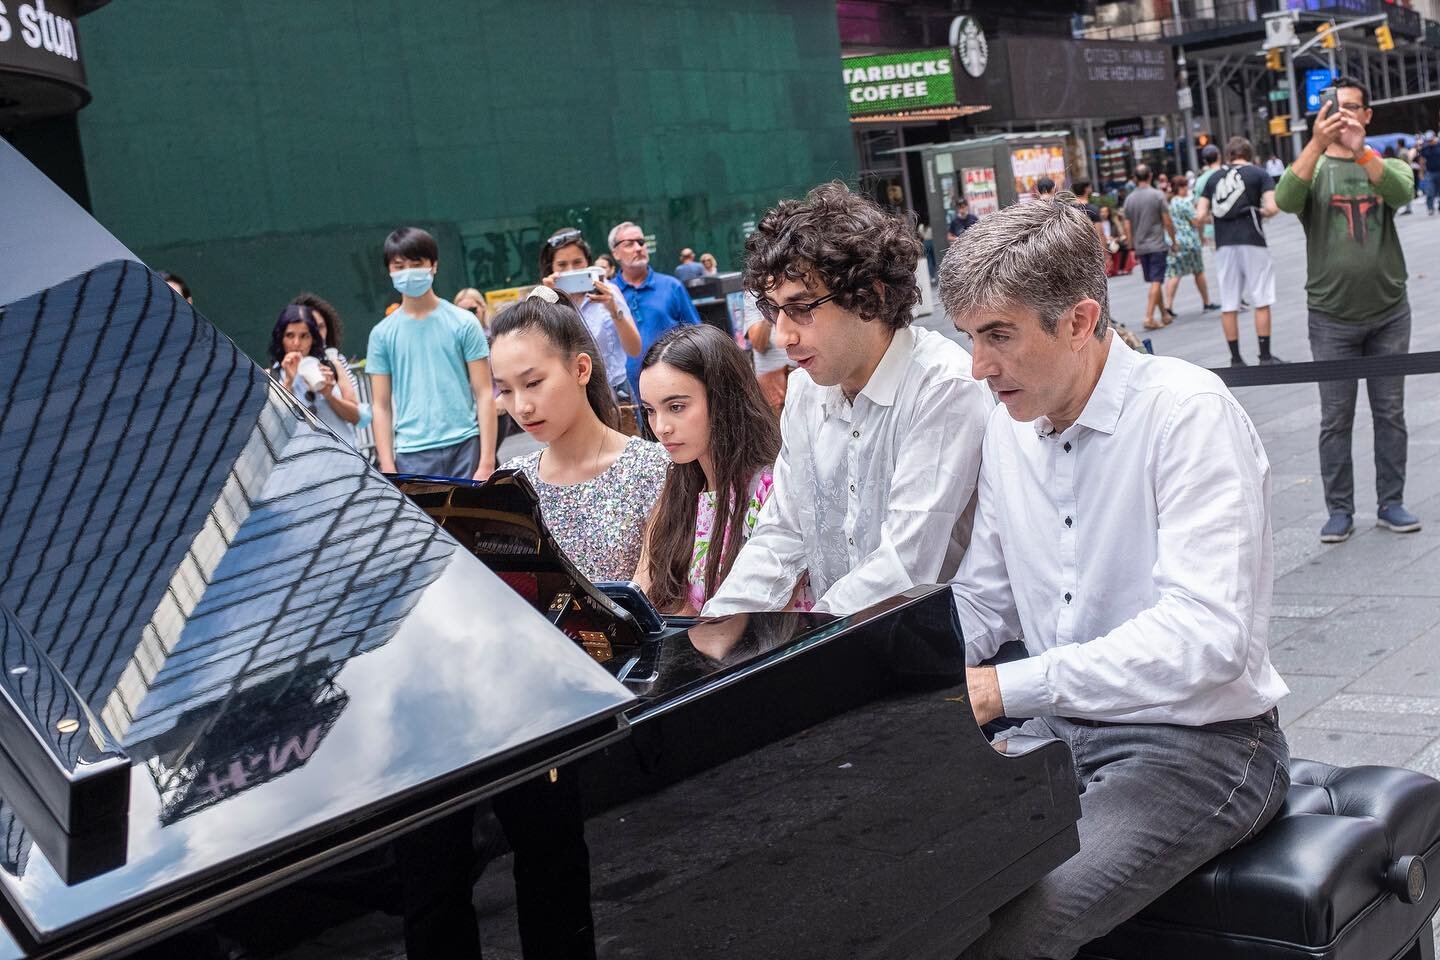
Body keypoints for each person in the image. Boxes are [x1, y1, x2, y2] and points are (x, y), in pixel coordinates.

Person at [940, 197, 1289, 960]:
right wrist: (864, 664)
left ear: (1078, 320)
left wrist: (1002, 690)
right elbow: (984, 598)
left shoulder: (1186, 413)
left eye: (998, 335)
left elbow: (1207, 639)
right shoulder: (1008, 422)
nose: (978, 366)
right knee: (896, 885)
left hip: (1200, 748)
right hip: (1057, 732)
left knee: (1009, 925)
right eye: (969, 338)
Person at [701, 181, 992, 617]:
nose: (782, 335)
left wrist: (810, 645)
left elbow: (904, 564)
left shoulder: (941, 386)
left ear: (869, 296)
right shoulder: (804, 389)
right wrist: (717, 629)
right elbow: (782, 531)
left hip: (937, 653)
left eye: (802, 308)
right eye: (773, 311)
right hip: (839, 647)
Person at [1275, 77, 1421, 543]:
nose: (1345, 116)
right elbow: (1284, 199)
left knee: (1390, 413)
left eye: (1353, 108)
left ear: (1368, 114)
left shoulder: (1384, 163)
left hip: (1389, 311)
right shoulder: (1314, 168)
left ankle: (1391, 502)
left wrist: (1362, 152)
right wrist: (1316, 144)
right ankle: (1339, 509)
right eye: (1336, 109)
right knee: (1335, 419)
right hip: (1331, 316)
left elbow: (1402, 193)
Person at [493, 288, 670, 581]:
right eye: (506, 390)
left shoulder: (652, 469)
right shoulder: (510, 481)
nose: (521, 407)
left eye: (533, 383)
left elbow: (654, 595)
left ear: (580, 369)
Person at [635, 324, 798, 614]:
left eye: (676, 407)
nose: (661, 427)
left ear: (723, 398)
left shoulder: (772, 490)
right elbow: (646, 593)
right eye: (650, 410)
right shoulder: (677, 487)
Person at [366, 226, 497, 480]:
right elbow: (380, 406)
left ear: (433, 265)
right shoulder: (381, 334)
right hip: (411, 453)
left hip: (466, 444)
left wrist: (487, 460)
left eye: (416, 263)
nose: (408, 272)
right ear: (390, 271)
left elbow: (484, 392)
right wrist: (388, 466)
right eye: (399, 266)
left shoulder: (463, 322)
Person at [1195, 136, 1282, 366]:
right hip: (1253, 240)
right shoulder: (1259, 174)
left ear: (1228, 155)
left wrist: (1218, 219)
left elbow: (1200, 216)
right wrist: (1259, 212)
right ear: (1249, 154)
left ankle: (1236, 358)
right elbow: (1273, 207)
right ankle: (1265, 356)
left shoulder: (1213, 178)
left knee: (1229, 302)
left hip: (1224, 244)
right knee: (1261, 298)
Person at [539, 227, 643, 403]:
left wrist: (612, 308)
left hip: (616, 394)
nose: (570, 270)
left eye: (577, 262)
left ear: (588, 263)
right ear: (551, 268)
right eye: (562, 265)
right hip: (568, 397)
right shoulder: (544, 299)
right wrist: (547, 301)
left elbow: (634, 349)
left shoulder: (609, 292)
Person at [608, 220, 702, 392]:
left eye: (641, 242)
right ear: (615, 253)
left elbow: (697, 335)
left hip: (673, 383)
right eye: (629, 244)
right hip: (624, 391)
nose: (638, 248)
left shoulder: (672, 286)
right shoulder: (607, 294)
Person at [268, 304, 363, 446]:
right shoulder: (272, 376)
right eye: (290, 335)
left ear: (313, 338)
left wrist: (329, 395)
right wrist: (288, 382)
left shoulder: (332, 365)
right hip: (302, 463)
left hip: (343, 461)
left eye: (304, 336)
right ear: (280, 338)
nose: (296, 343)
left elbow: (357, 418)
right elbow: (275, 428)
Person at [291, 291, 371, 431]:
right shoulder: (283, 367)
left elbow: (357, 416)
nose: (316, 334)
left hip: (341, 449)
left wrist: (328, 395)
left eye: (320, 327)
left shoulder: (335, 359)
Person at [1121, 164, 1178, 330]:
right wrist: (1173, 241)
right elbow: (1167, 221)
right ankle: (1149, 317)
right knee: (1156, 281)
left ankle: (1164, 315)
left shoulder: (1129, 199)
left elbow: (1127, 224)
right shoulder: (1157, 195)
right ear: (1150, 175)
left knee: (1154, 281)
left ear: (1135, 178)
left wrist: (1131, 244)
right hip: (1157, 245)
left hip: (1141, 246)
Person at [1162, 175, 1218, 315]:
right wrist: (1210, 220)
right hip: (1189, 241)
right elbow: (1196, 221)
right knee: (1198, 271)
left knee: (1175, 274)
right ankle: (1206, 302)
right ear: (1180, 187)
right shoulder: (1184, 203)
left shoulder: (1171, 203)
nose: (1187, 189)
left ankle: (1167, 306)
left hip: (1175, 241)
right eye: (1185, 186)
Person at [744, 291, 795, 415]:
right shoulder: (753, 294)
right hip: (773, 388)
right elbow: (758, 344)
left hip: (801, 374)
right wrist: (769, 309)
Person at [1193, 143, 1224, 247]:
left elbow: (1199, 211)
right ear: (1219, 156)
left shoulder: (1200, 181)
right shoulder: (1229, 172)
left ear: (1205, 161)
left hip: (1212, 230)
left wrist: (1201, 236)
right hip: (1236, 226)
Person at [1419, 131, 1440, 215]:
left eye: (1431, 140)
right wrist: (1421, 172)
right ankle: (1430, 208)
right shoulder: (1425, 148)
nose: (1430, 142)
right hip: (1430, 172)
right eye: (1428, 141)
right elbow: (1422, 160)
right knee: (1430, 191)